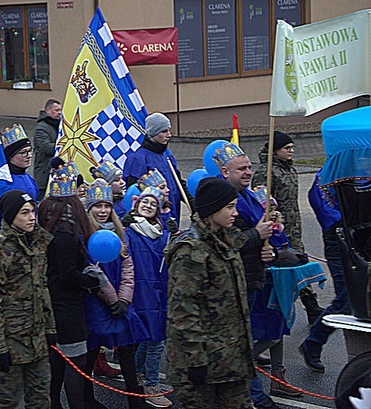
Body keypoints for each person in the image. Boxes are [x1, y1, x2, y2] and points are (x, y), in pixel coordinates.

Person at [215, 142, 294, 407]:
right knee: (239, 344)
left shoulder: (248, 194)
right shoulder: (221, 196)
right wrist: (256, 237)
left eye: (249, 167)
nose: (248, 172)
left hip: (253, 275)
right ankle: (256, 398)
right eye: (241, 169)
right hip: (235, 281)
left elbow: (262, 231)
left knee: (246, 340)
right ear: (225, 172)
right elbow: (224, 240)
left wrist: (268, 244)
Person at [165, 177, 254, 409]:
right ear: (212, 210)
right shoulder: (191, 251)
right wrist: (195, 360)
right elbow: (183, 310)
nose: (235, 213)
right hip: (203, 363)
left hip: (230, 358)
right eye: (229, 207)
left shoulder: (226, 240)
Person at [0, 190, 56, 408]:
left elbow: (42, 289)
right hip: (11, 341)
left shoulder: (39, 244)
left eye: (33, 211)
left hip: (37, 340)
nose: (32, 217)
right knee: (7, 402)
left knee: (40, 400)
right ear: (11, 217)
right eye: (24, 213)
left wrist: (50, 330)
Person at [39, 162, 102, 409]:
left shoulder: (49, 230)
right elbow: (67, 273)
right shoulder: (65, 235)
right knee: (76, 361)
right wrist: (91, 282)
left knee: (56, 360)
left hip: (54, 303)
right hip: (67, 307)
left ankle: (54, 404)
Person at [83, 179, 148, 409]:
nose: (103, 211)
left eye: (107, 206)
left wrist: (124, 298)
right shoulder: (86, 236)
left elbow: (128, 267)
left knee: (128, 347)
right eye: (97, 206)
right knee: (91, 351)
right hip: (97, 303)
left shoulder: (121, 233)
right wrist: (112, 299)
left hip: (120, 301)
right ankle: (85, 397)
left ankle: (135, 397)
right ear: (89, 209)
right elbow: (94, 272)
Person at [252, 131, 323, 324]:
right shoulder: (265, 173)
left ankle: (310, 307)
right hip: (278, 231)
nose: (291, 151)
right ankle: (310, 306)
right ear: (276, 151)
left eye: (292, 148)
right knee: (294, 266)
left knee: (298, 263)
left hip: (294, 227)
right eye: (287, 148)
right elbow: (261, 202)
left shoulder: (289, 169)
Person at [124, 186, 173, 408]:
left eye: (153, 204)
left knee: (150, 337)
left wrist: (175, 238)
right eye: (145, 202)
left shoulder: (163, 234)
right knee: (156, 340)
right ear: (136, 204)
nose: (148, 206)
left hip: (158, 291)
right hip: (140, 291)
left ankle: (138, 374)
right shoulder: (129, 231)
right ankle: (151, 385)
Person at [300, 167, 350, 373]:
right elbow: (325, 209)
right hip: (339, 237)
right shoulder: (327, 173)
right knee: (346, 300)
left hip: (362, 234)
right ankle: (313, 342)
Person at [123, 112, 191, 228]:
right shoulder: (138, 159)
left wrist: (192, 202)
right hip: (152, 220)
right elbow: (133, 192)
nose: (169, 135)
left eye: (169, 130)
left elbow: (178, 182)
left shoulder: (167, 155)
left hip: (173, 213)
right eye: (164, 131)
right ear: (153, 133)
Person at [33, 99, 62, 200]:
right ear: (47, 110)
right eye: (56, 110)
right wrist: (64, 146)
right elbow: (45, 147)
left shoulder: (59, 125)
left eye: (60, 110)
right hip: (44, 173)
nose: (59, 113)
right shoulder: (42, 127)